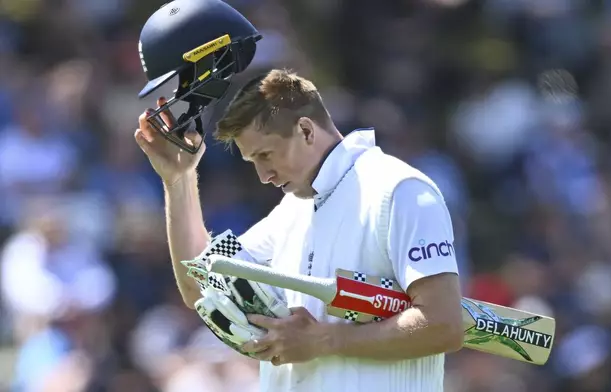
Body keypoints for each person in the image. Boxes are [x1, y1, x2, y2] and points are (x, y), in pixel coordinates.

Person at [134, 1, 464, 391]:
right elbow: (200, 287)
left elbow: (444, 324)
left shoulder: (399, 190)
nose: (263, 175)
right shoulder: (292, 211)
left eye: (266, 155)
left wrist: (323, 340)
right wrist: (179, 180)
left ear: (306, 130)